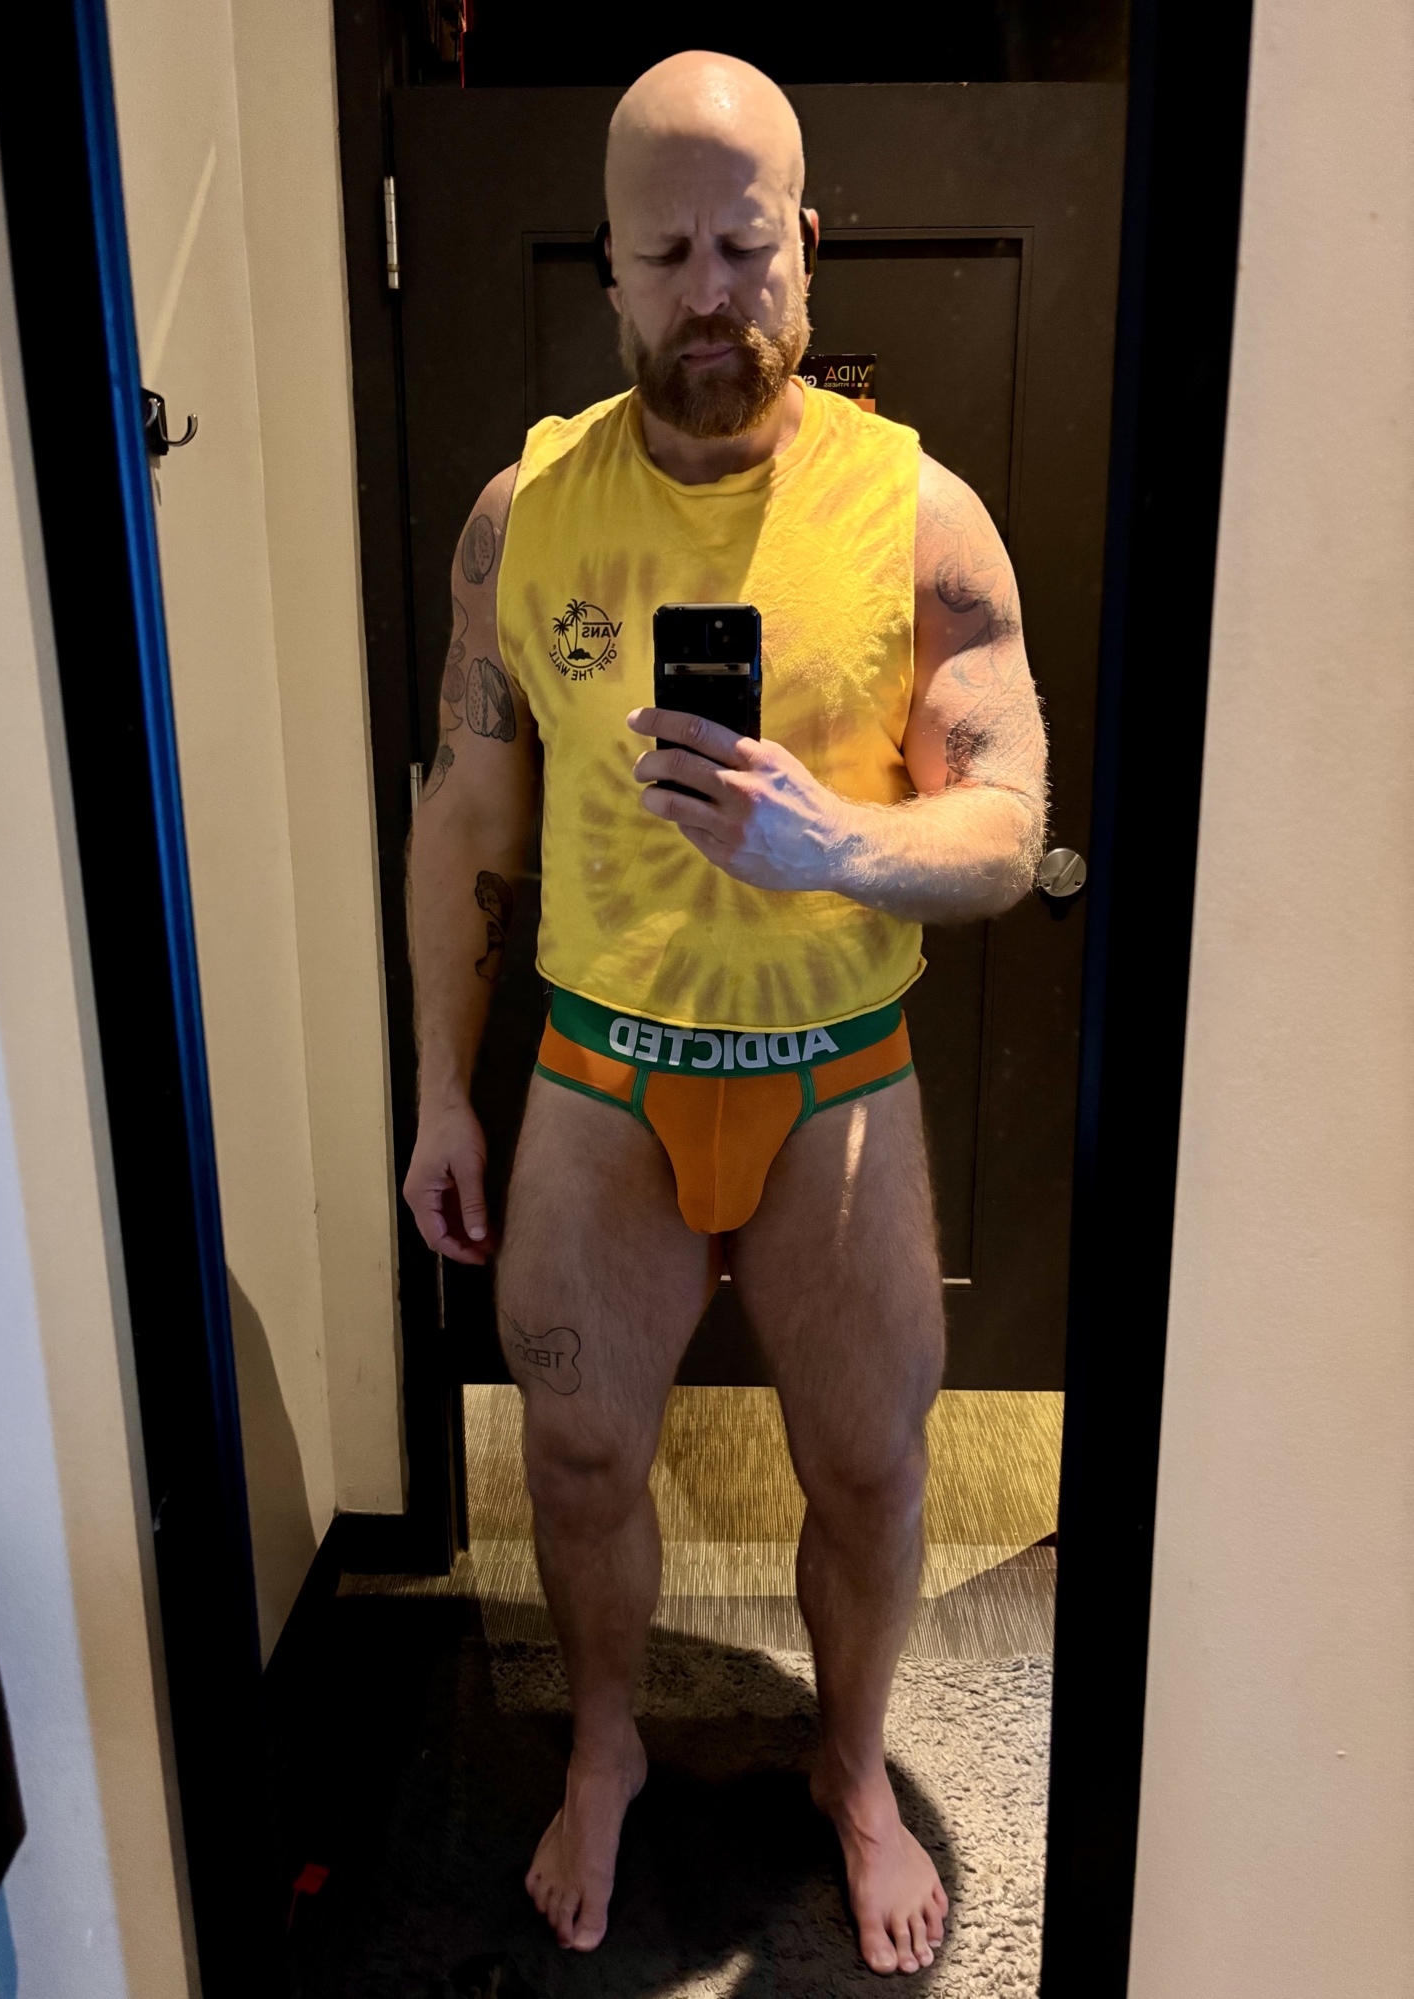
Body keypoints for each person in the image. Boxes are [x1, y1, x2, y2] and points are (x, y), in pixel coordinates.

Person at [403, 48, 1045, 1979]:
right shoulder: (526, 517)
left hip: (836, 1076)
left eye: (745, 248)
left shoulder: (923, 517)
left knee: (871, 1466)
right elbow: (468, 819)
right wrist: (441, 1092)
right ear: (609, 267)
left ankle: (853, 1767)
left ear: (809, 247)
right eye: (666, 253)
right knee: (578, 1459)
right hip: (604, 1072)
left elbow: (1009, 823)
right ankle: (603, 1745)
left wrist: (834, 841)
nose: (710, 294)